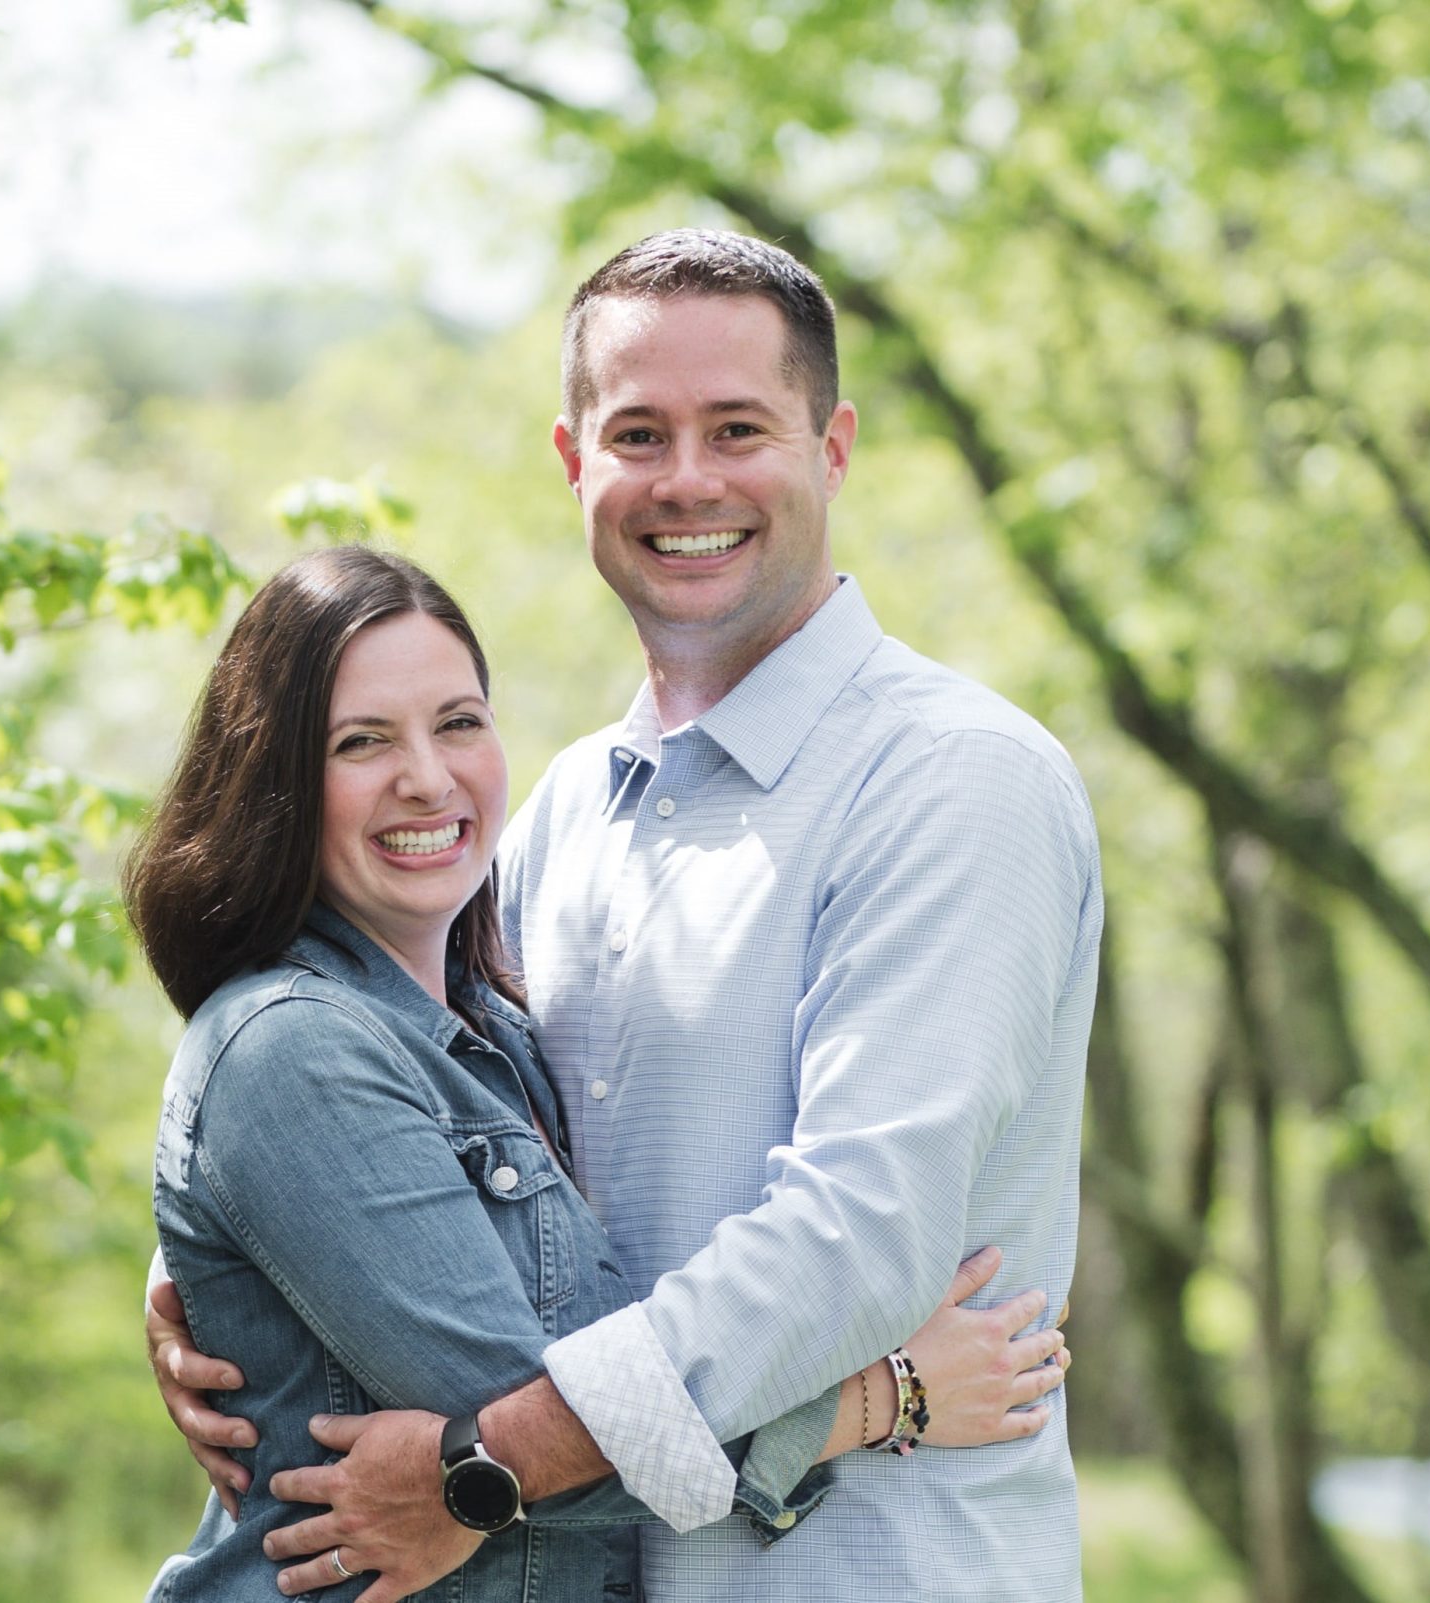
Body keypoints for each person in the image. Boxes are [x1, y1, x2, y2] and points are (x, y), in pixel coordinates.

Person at [123, 544, 1073, 1601]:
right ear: (277, 783)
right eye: (360, 742)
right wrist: (879, 1396)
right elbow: (525, 1418)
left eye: (458, 722)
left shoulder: (487, 1019)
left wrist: (213, 1268)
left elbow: (511, 1416)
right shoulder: (291, 1044)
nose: (427, 778)